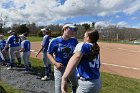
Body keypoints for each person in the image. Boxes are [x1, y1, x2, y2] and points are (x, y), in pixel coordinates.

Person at [47, 23, 78, 93]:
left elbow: (76, 53)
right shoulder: (55, 41)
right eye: (72, 29)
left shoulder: (74, 40)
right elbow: (49, 53)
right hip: (60, 67)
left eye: (74, 30)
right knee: (59, 89)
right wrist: (55, 63)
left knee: (75, 83)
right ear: (65, 29)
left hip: (71, 67)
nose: (73, 32)